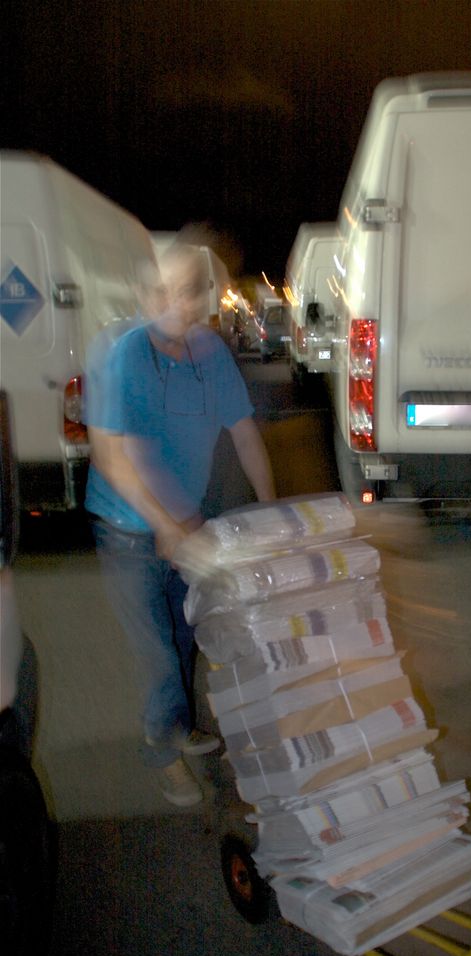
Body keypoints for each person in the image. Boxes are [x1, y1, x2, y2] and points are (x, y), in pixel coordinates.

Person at [84, 244, 275, 806]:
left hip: (186, 528)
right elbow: (112, 455)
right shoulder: (124, 356)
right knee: (158, 655)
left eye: (189, 290)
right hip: (126, 532)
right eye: (164, 292)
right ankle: (159, 750)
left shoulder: (211, 354)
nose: (177, 303)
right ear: (147, 297)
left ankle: (181, 724)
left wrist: (272, 510)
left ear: (201, 297)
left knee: (187, 634)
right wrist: (164, 525)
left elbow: (244, 436)